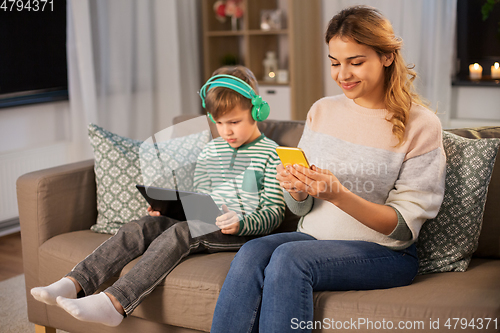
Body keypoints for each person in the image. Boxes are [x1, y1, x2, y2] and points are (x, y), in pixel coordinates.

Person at [210, 6, 446, 333]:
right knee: (252, 252)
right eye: (335, 63)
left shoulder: (421, 125)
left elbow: (404, 229)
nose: (342, 74)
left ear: (387, 57)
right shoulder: (322, 110)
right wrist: (296, 189)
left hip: (386, 254)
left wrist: (338, 195)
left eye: (356, 62)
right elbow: (302, 206)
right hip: (311, 236)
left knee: (289, 260)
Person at [30, 65, 285, 327]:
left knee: (180, 233)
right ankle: (74, 283)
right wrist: (170, 209)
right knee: (142, 226)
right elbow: (199, 197)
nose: (226, 131)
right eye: (218, 123)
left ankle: (116, 303)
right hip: (205, 221)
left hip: (242, 233)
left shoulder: (271, 154)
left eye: (234, 122)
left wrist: (241, 223)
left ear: (256, 112)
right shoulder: (211, 151)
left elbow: (274, 214)